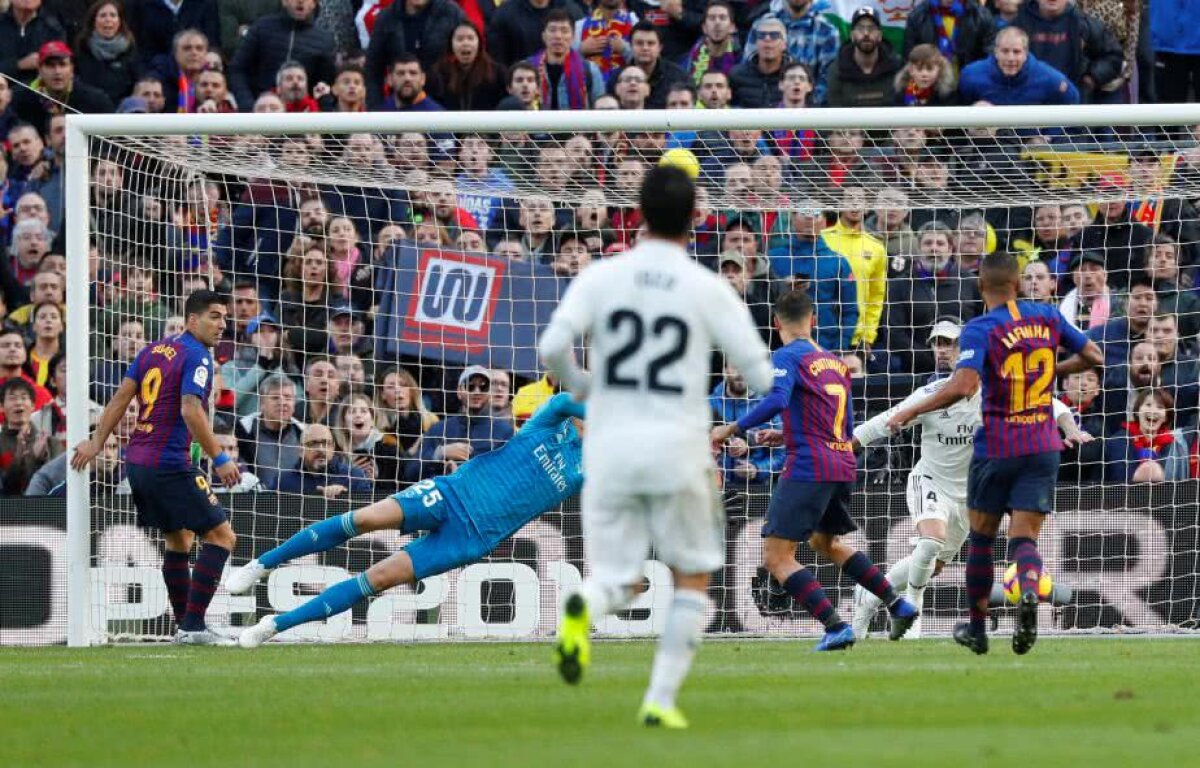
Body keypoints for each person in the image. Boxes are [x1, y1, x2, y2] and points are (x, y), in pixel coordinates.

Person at [538, 165, 773, 729]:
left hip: (610, 444)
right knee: (692, 577)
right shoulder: (706, 287)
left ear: (638, 212)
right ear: (696, 218)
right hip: (678, 445)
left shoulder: (603, 277)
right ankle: (660, 700)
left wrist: (584, 386)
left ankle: (584, 604)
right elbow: (761, 378)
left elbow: (552, 346)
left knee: (616, 577)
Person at [232, 393, 585, 646]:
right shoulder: (552, 419)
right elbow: (567, 399)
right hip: (453, 493)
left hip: (473, 538)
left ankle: (274, 626)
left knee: (378, 578)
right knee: (363, 519)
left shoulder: (589, 467)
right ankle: (261, 564)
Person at [886, 251, 1102, 655]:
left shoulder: (981, 328)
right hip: (1042, 445)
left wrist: (911, 411)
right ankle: (1029, 589)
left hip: (998, 446)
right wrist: (1047, 373)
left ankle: (978, 629)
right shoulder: (1048, 316)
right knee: (1024, 540)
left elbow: (963, 386)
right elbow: (1095, 356)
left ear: (980, 285)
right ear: (1018, 283)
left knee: (982, 541)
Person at [852, 319, 1087, 639]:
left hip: (970, 495)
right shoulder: (930, 395)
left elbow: (1053, 405)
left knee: (933, 565)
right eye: (937, 344)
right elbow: (877, 425)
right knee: (930, 541)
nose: (943, 350)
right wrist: (840, 449)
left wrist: (1071, 430)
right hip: (930, 480)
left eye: (950, 343)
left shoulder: (999, 391)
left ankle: (868, 594)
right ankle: (911, 608)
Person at [711, 289, 920, 649]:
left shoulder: (786, 356)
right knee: (826, 542)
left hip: (810, 465)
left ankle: (835, 626)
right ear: (814, 320)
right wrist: (785, 433)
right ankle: (897, 603)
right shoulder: (836, 363)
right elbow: (843, 424)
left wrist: (731, 428)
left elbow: (777, 398)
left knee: (776, 557)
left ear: (776, 323)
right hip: (841, 461)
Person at [71, 289, 241, 645]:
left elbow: (121, 397)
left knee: (179, 540)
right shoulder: (198, 357)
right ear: (192, 320)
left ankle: (185, 628)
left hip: (138, 463)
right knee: (223, 537)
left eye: (224, 318)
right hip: (169, 463)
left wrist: (96, 442)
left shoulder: (153, 350)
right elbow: (190, 410)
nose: (222, 324)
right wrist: (221, 457)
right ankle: (193, 626)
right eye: (214, 316)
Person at [1103, 388, 1192, 484]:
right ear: (1137, 411)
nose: (1153, 411)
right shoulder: (1119, 440)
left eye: (1160, 407)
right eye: (1148, 405)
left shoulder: (1174, 446)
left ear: (1166, 417)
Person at [270, 422, 372, 497]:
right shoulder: (282, 482)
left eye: (325, 443)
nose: (320, 449)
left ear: (333, 447)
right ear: (301, 450)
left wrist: (344, 495)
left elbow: (369, 514)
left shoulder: (354, 477)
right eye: (313, 444)